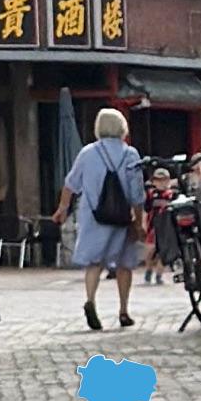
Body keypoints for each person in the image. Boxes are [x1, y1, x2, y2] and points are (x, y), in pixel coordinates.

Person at [50, 108, 147, 330]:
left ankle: (90, 300)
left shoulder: (87, 153)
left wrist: (62, 208)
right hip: (122, 216)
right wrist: (138, 221)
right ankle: (123, 311)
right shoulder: (130, 154)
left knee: (94, 262)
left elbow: (70, 183)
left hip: (93, 216)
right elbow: (137, 193)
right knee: (124, 264)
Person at [141, 167, 177, 285]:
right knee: (150, 250)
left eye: (164, 180)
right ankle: (148, 270)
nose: (161, 183)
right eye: (158, 180)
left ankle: (159, 274)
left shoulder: (172, 194)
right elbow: (145, 209)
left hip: (167, 226)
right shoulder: (151, 194)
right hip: (153, 225)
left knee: (164, 251)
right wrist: (143, 223)